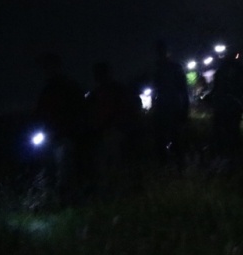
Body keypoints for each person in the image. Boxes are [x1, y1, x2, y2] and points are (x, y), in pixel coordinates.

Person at [34, 52, 88, 204]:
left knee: (64, 170)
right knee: (51, 169)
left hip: (65, 134)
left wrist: (74, 128)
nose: (47, 70)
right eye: (45, 67)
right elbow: (40, 112)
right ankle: (53, 200)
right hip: (51, 135)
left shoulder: (67, 86)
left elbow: (79, 108)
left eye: (49, 66)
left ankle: (66, 201)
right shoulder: (48, 89)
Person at [86, 61, 141, 194]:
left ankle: (115, 192)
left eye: (99, 73)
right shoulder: (97, 93)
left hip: (114, 131)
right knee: (105, 163)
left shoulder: (116, 90)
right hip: (104, 132)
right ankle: (111, 192)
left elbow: (130, 108)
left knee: (112, 163)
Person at [205, 48, 243, 171]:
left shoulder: (222, 70)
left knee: (220, 132)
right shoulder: (240, 69)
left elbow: (216, 88)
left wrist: (211, 99)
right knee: (233, 132)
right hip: (232, 106)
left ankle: (222, 157)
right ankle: (232, 159)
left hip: (223, 106)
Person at [151, 40, 190, 172]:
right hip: (166, 107)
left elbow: (183, 89)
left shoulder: (172, 68)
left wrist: (185, 108)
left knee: (173, 137)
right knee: (165, 138)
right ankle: (170, 166)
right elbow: (155, 89)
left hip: (172, 107)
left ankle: (176, 166)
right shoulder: (159, 68)